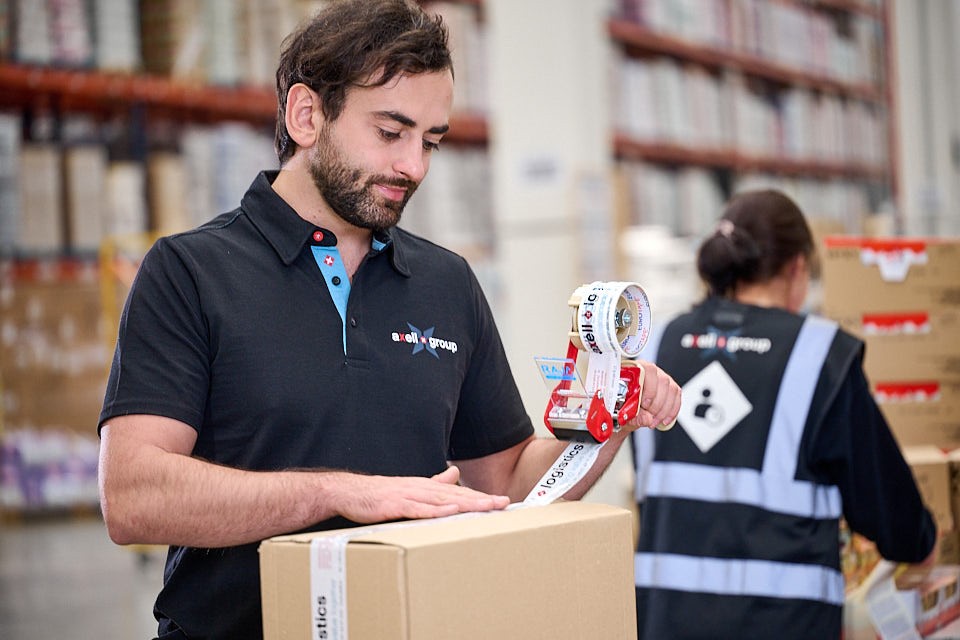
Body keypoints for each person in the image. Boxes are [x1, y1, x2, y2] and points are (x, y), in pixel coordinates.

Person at [96, 2, 681, 639]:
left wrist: (609, 415)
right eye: (390, 132)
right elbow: (133, 495)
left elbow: (507, 484)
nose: (415, 167)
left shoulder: (446, 282)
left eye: (430, 141)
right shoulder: (189, 271)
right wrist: (336, 493)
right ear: (306, 115)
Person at [630, 190, 936, 640]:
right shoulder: (818, 355)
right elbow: (892, 512)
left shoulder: (655, 347)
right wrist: (925, 543)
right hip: (781, 623)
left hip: (662, 622)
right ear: (797, 268)